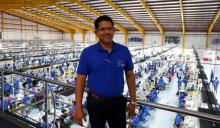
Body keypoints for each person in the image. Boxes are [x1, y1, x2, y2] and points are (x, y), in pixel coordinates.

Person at [74, 15, 136, 128]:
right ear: (96, 32)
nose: (107, 32)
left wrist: (133, 101)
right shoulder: (87, 53)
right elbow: (80, 81)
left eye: (110, 28)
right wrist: (78, 108)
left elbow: (130, 76)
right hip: (95, 103)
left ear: (114, 30)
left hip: (118, 102)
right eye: (102, 29)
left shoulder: (124, 51)